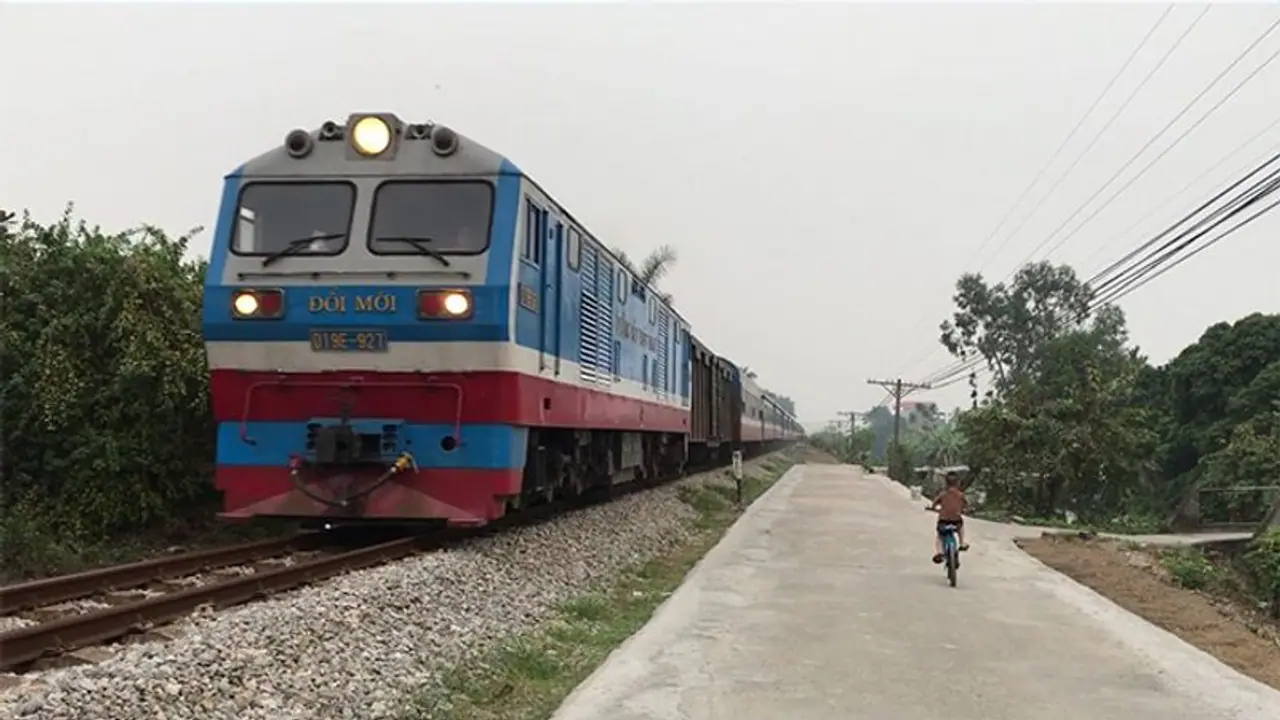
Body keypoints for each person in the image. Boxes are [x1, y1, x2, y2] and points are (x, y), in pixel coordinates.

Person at [929, 471, 969, 564]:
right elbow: (966, 505)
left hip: (943, 521)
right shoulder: (960, 495)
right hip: (956, 521)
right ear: (957, 483)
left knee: (939, 535)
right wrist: (964, 510)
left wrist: (933, 508)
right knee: (961, 528)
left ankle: (939, 552)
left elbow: (934, 503)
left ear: (946, 483)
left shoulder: (943, 494)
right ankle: (962, 542)